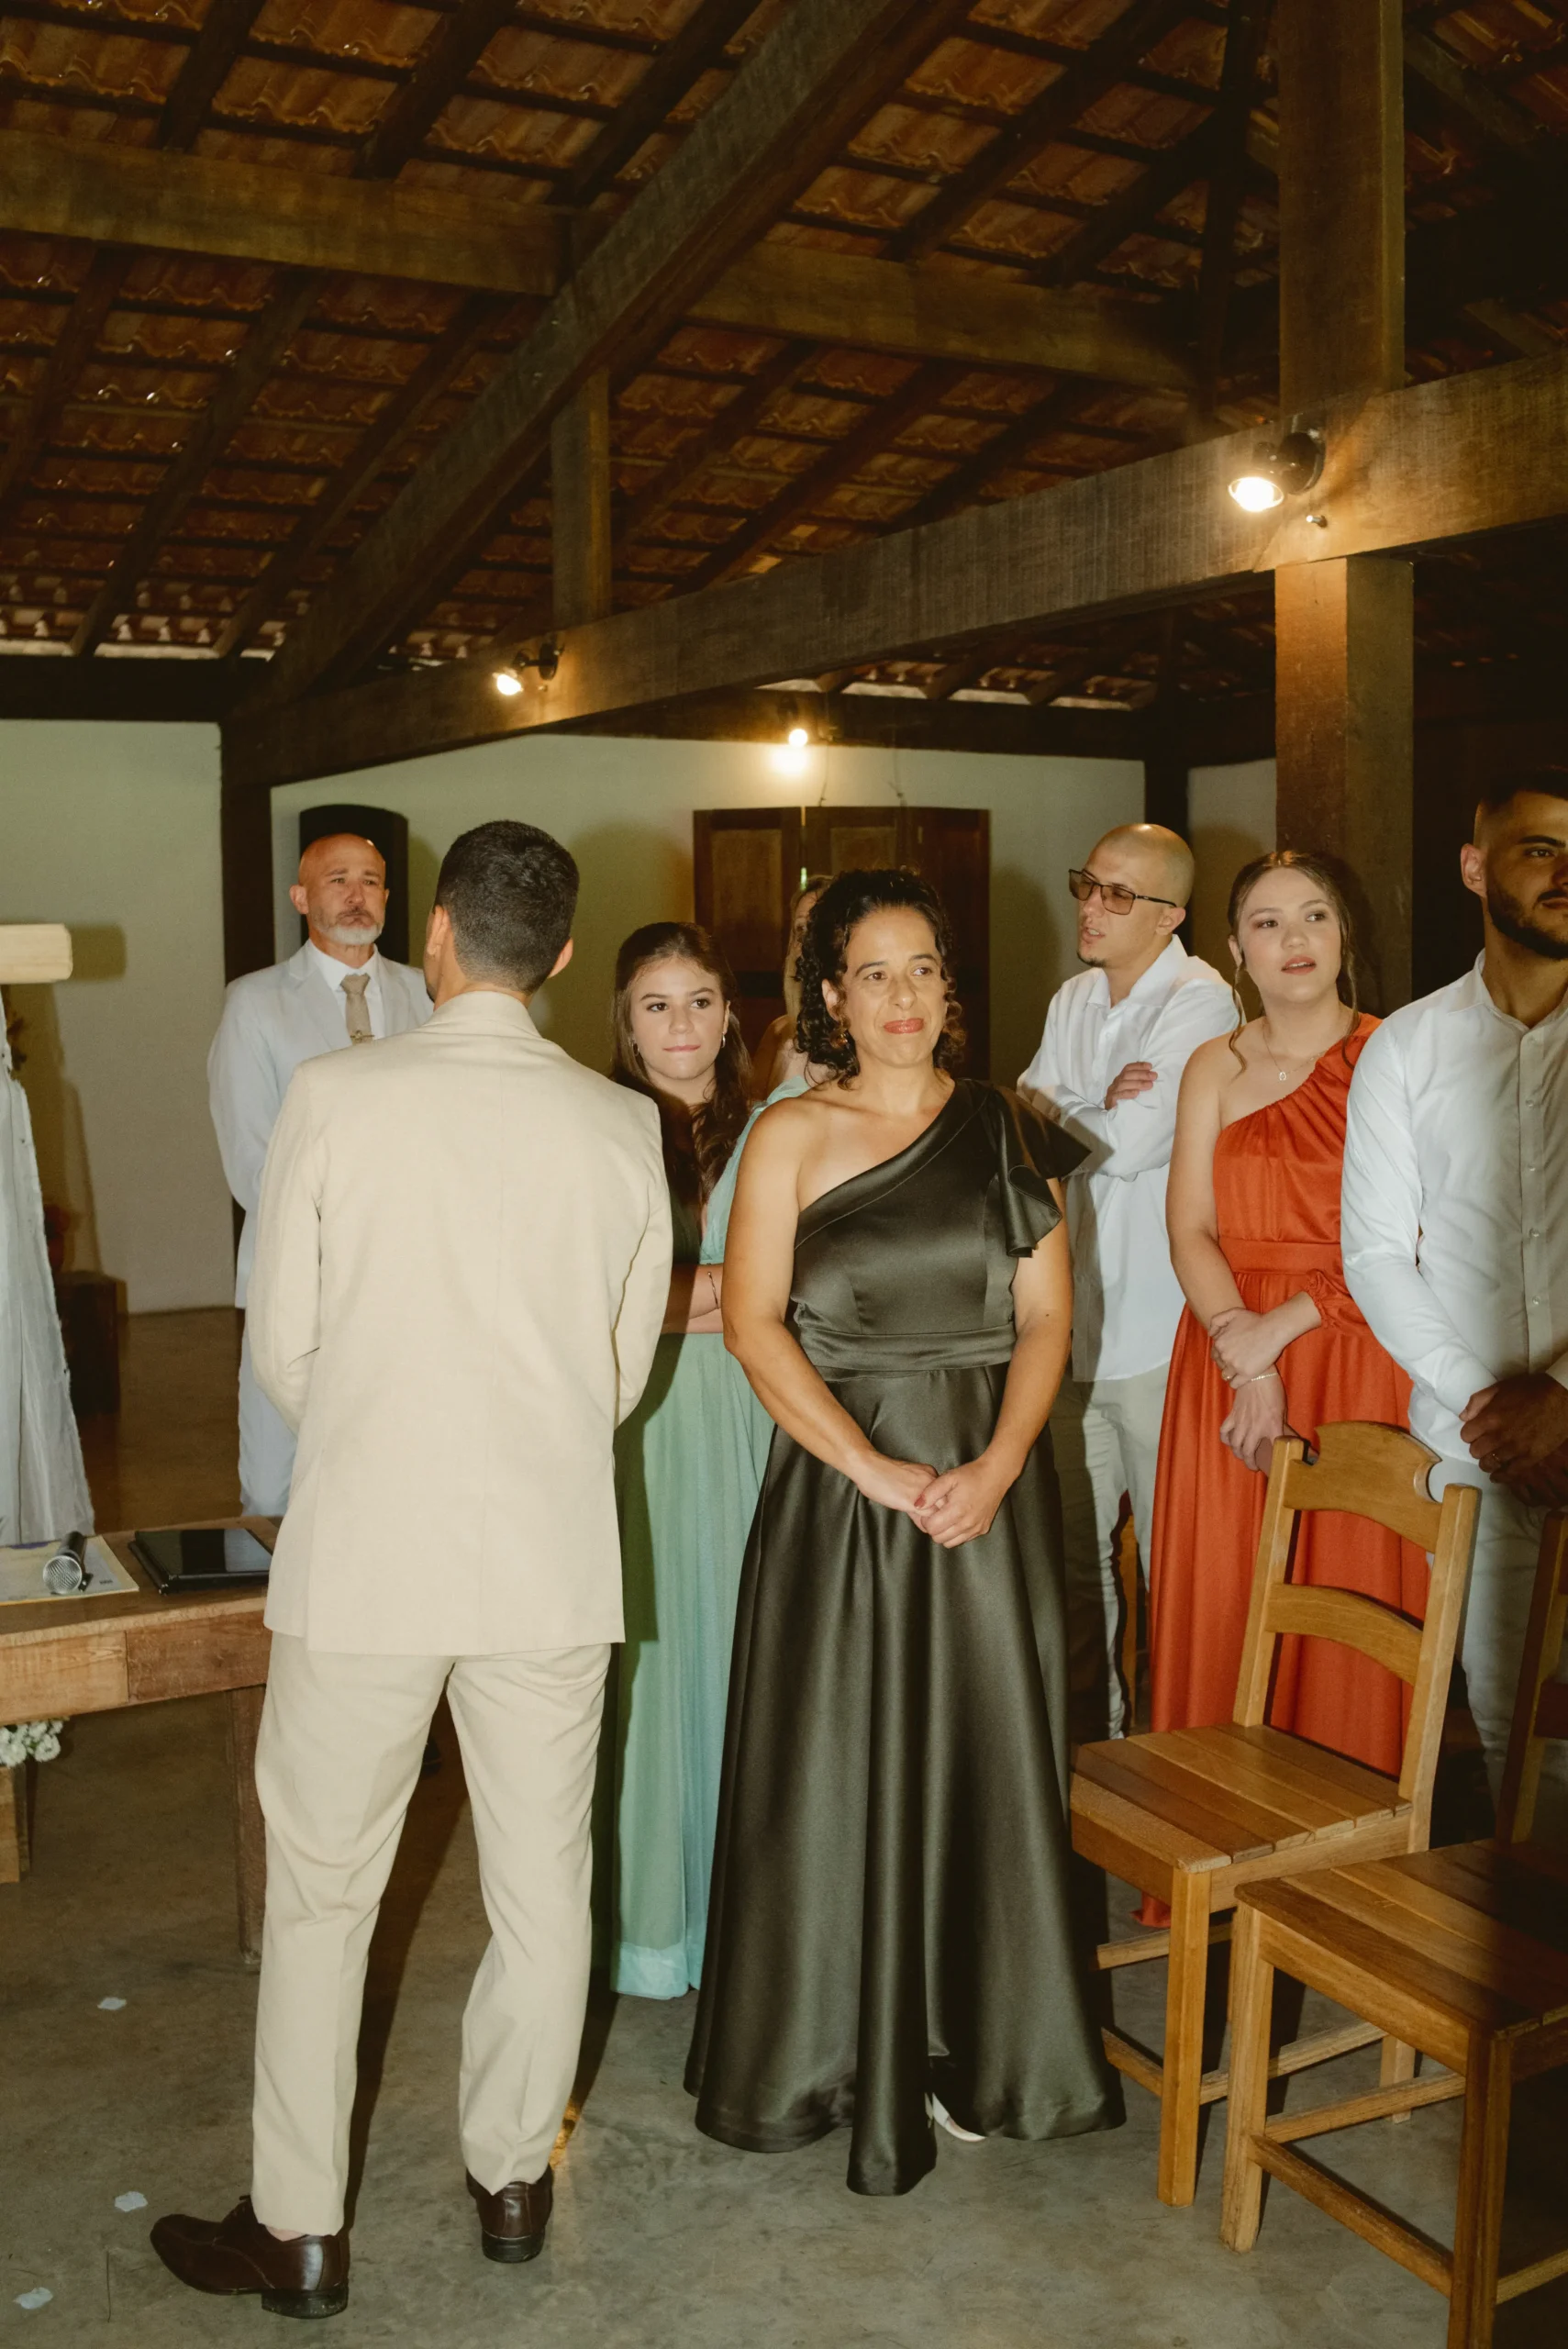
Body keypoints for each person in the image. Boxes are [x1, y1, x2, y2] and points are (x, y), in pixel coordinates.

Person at [151, 822, 671, 2319]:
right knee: (543, 1886)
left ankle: (301, 2230)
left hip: (370, 1551)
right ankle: (511, 2177)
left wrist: (380, 1434)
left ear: (433, 935)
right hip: (545, 1558)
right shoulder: (618, 1124)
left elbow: (283, 1346)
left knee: (324, 1894)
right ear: (559, 956)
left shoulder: (335, 1094)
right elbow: (620, 1372)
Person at [687, 868, 1118, 2198]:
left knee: (989, 1762)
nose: (902, 996)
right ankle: (816, 2054)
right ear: (831, 995)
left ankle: (992, 2052)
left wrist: (997, 1466)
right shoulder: (789, 1135)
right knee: (828, 1763)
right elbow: (752, 1325)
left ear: (948, 987)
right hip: (839, 1494)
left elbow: (1045, 1320)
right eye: (872, 973)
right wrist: (871, 1469)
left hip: (986, 1492)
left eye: (923, 968)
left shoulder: (1006, 1128)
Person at [1149, 852, 1426, 1775]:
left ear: (1345, 933)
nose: (1293, 938)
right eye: (1265, 923)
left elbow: (1419, 1234)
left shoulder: (1396, 1054)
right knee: (1222, 1594)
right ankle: (1212, 1835)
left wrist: (1286, 1325)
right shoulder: (1210, 1064)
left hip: (1352, 1350)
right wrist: (1250, 1356)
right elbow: (1188, 1227)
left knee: (1350, 1594)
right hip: (1225, 1356)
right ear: (1235, 950)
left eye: (1313, 915)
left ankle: (1350, 1837)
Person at [1342, 773, 1568, 1836]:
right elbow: (1375, 1254)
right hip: (1478, 1455)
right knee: (1518, 1754)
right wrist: (1496, 1412)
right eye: (1538, 848)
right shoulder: (1404, 1047)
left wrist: (1558, 1395)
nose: (1564, 871)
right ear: (1475, 868)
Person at [1017, 825, 1231, 1739]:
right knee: (1075, 1570)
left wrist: (1074, 1108)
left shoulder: (1202, 1000)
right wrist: (1094, 1102)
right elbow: (1022, 1127)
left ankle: (1183, 1761)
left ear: (1169, 915)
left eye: (1117, 894)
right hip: (1070, 1325)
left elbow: (1133, 1143)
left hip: (1159, 1331)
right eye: (1086, 884)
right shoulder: (1070, 997)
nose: (1090, 907)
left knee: (1177, 1570)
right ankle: (1094, 1760)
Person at [606, 922, 773, 1999]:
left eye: (700, 1000)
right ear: (624, 1021)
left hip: (761, 1415)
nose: (681, 1024)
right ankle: (655, 1925)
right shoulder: (596, 1126)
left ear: (728, 1013)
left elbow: (799, 1286)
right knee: (652, 1662)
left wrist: (676, 1300)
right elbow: (586, 1298)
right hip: (638, 1423)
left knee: (749, 1651)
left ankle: (753, 1924)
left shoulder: (776, 1126)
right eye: (656, 1004)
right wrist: (729, 1293)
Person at [208, 833, 430, 1516]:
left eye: (371, 881)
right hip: (296, 1276)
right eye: (338, 879)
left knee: (397, 1466)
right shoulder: (256, 1002)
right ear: (301, 897)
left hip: (411, 1276)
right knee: (276, 1483)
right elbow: (251, 1157)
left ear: (388, 896)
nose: (357, 895)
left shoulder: (430, 994)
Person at [750, 873, 831, 1097]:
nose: (807, 941)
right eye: (800, 929)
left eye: (818, 928)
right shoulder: (779, 1032)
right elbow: (752, 1107)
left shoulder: (865, 1035)